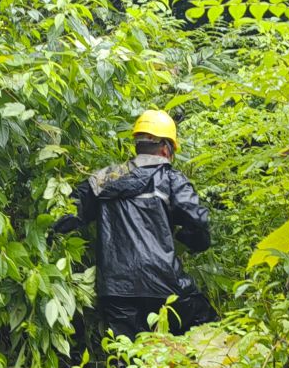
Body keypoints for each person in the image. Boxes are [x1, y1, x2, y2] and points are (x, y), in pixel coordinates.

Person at [51, 110, 214, 340]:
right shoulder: (171, 179)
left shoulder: (103, 179)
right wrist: (190, 241)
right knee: (205, 328)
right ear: (167, 148)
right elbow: (197, 222)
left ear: (138, 145)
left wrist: (46, 237)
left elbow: (64, 215)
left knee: (126, 356)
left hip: (116, 288)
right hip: (164, 282)